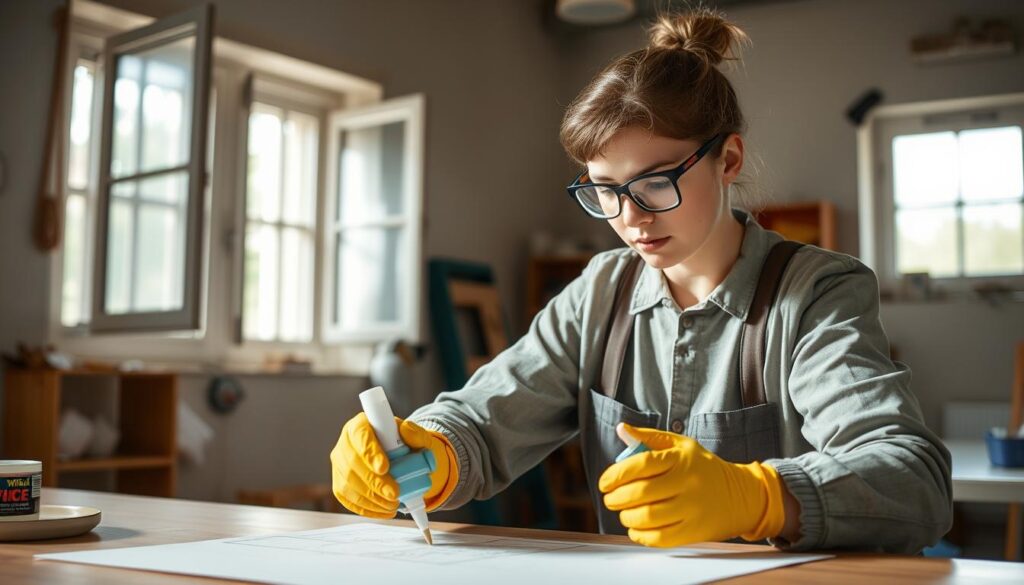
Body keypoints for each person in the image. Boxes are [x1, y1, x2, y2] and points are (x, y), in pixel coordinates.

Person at [330, 7, 952, 553]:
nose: (629, 217)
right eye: (605, 190)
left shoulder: (817, 294)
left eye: (656, 182)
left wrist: (759, 496)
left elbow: (912, 480)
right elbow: (487, 420)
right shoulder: (598, 294)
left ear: (727, 159)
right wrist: (428, 453)